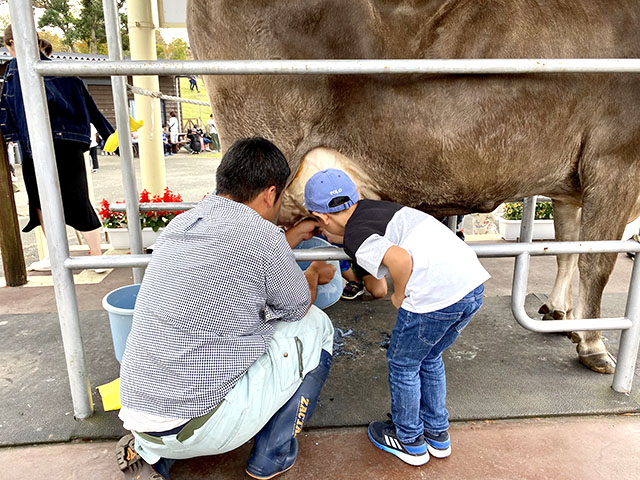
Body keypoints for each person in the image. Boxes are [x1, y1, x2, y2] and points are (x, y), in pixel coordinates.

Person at [116, 137, 336, 480]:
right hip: (203, 427)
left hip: (137, 414)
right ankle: (272, 454)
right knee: (317, 325)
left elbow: (241, 257)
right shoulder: (264, 237)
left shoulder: (182, 224)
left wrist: (290, 237)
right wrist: (311, 273)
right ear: (270, 194)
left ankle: (155, 456)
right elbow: (295, 307)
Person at [304, 168, 490, 466]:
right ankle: (437, 433)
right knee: (428, 358)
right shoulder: (378, 208)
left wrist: (399, 293)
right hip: (471, 285)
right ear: (357, 195)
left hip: (434, 296)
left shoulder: (356, 235)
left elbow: (400, 259)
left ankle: (408, 439)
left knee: (402, 363)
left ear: (321, 216)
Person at [0, 25, 114, 268]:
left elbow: (8, 109)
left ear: (11, 43)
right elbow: (90, 106)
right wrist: (109, 135)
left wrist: (9, 133)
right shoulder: (64, 71)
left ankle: (60, 255)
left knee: (43, 199)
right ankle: (93, 255)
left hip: (38, 142)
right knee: (74, 197)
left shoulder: (16, 69)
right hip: (66, 142)